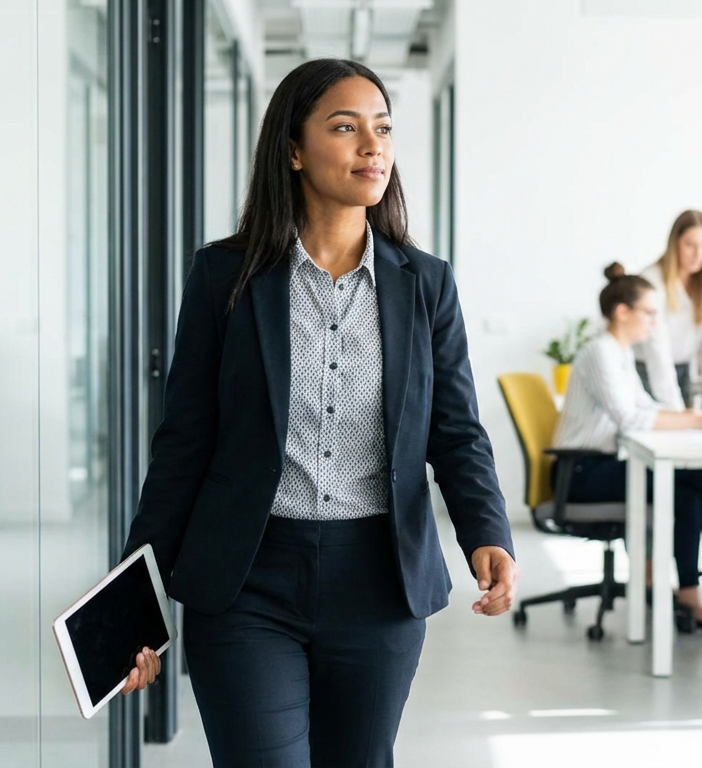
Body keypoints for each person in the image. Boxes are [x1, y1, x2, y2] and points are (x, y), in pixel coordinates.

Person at [117, 59, 518, 767]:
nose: (373, 146)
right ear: (294, 150)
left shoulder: (425, 284)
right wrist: (134, 601)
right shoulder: (225, 278)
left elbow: (455, 429)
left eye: (383, 129)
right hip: (247, 582)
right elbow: (183, 445)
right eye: (345, 127)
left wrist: (488, 532)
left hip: (379, 584)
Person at [553, 263, 702, 634]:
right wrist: (699, 421)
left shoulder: (619, 355)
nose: (655, 322)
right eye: (649, 313)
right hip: (580, 473)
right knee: (685, 486)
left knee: (686, 490)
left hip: (602, 467)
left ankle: (690, 595)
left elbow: (646, 406)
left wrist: (697, 414)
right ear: (623, 312)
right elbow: (629, 419)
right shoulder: (599, 351)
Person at [635, 210, 702, 409]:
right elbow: (657, 352)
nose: (699, 254)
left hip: (685, 372)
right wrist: (676, 409)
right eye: (690, 245)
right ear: (675, 243)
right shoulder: (652, 281)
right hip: (649, 372)